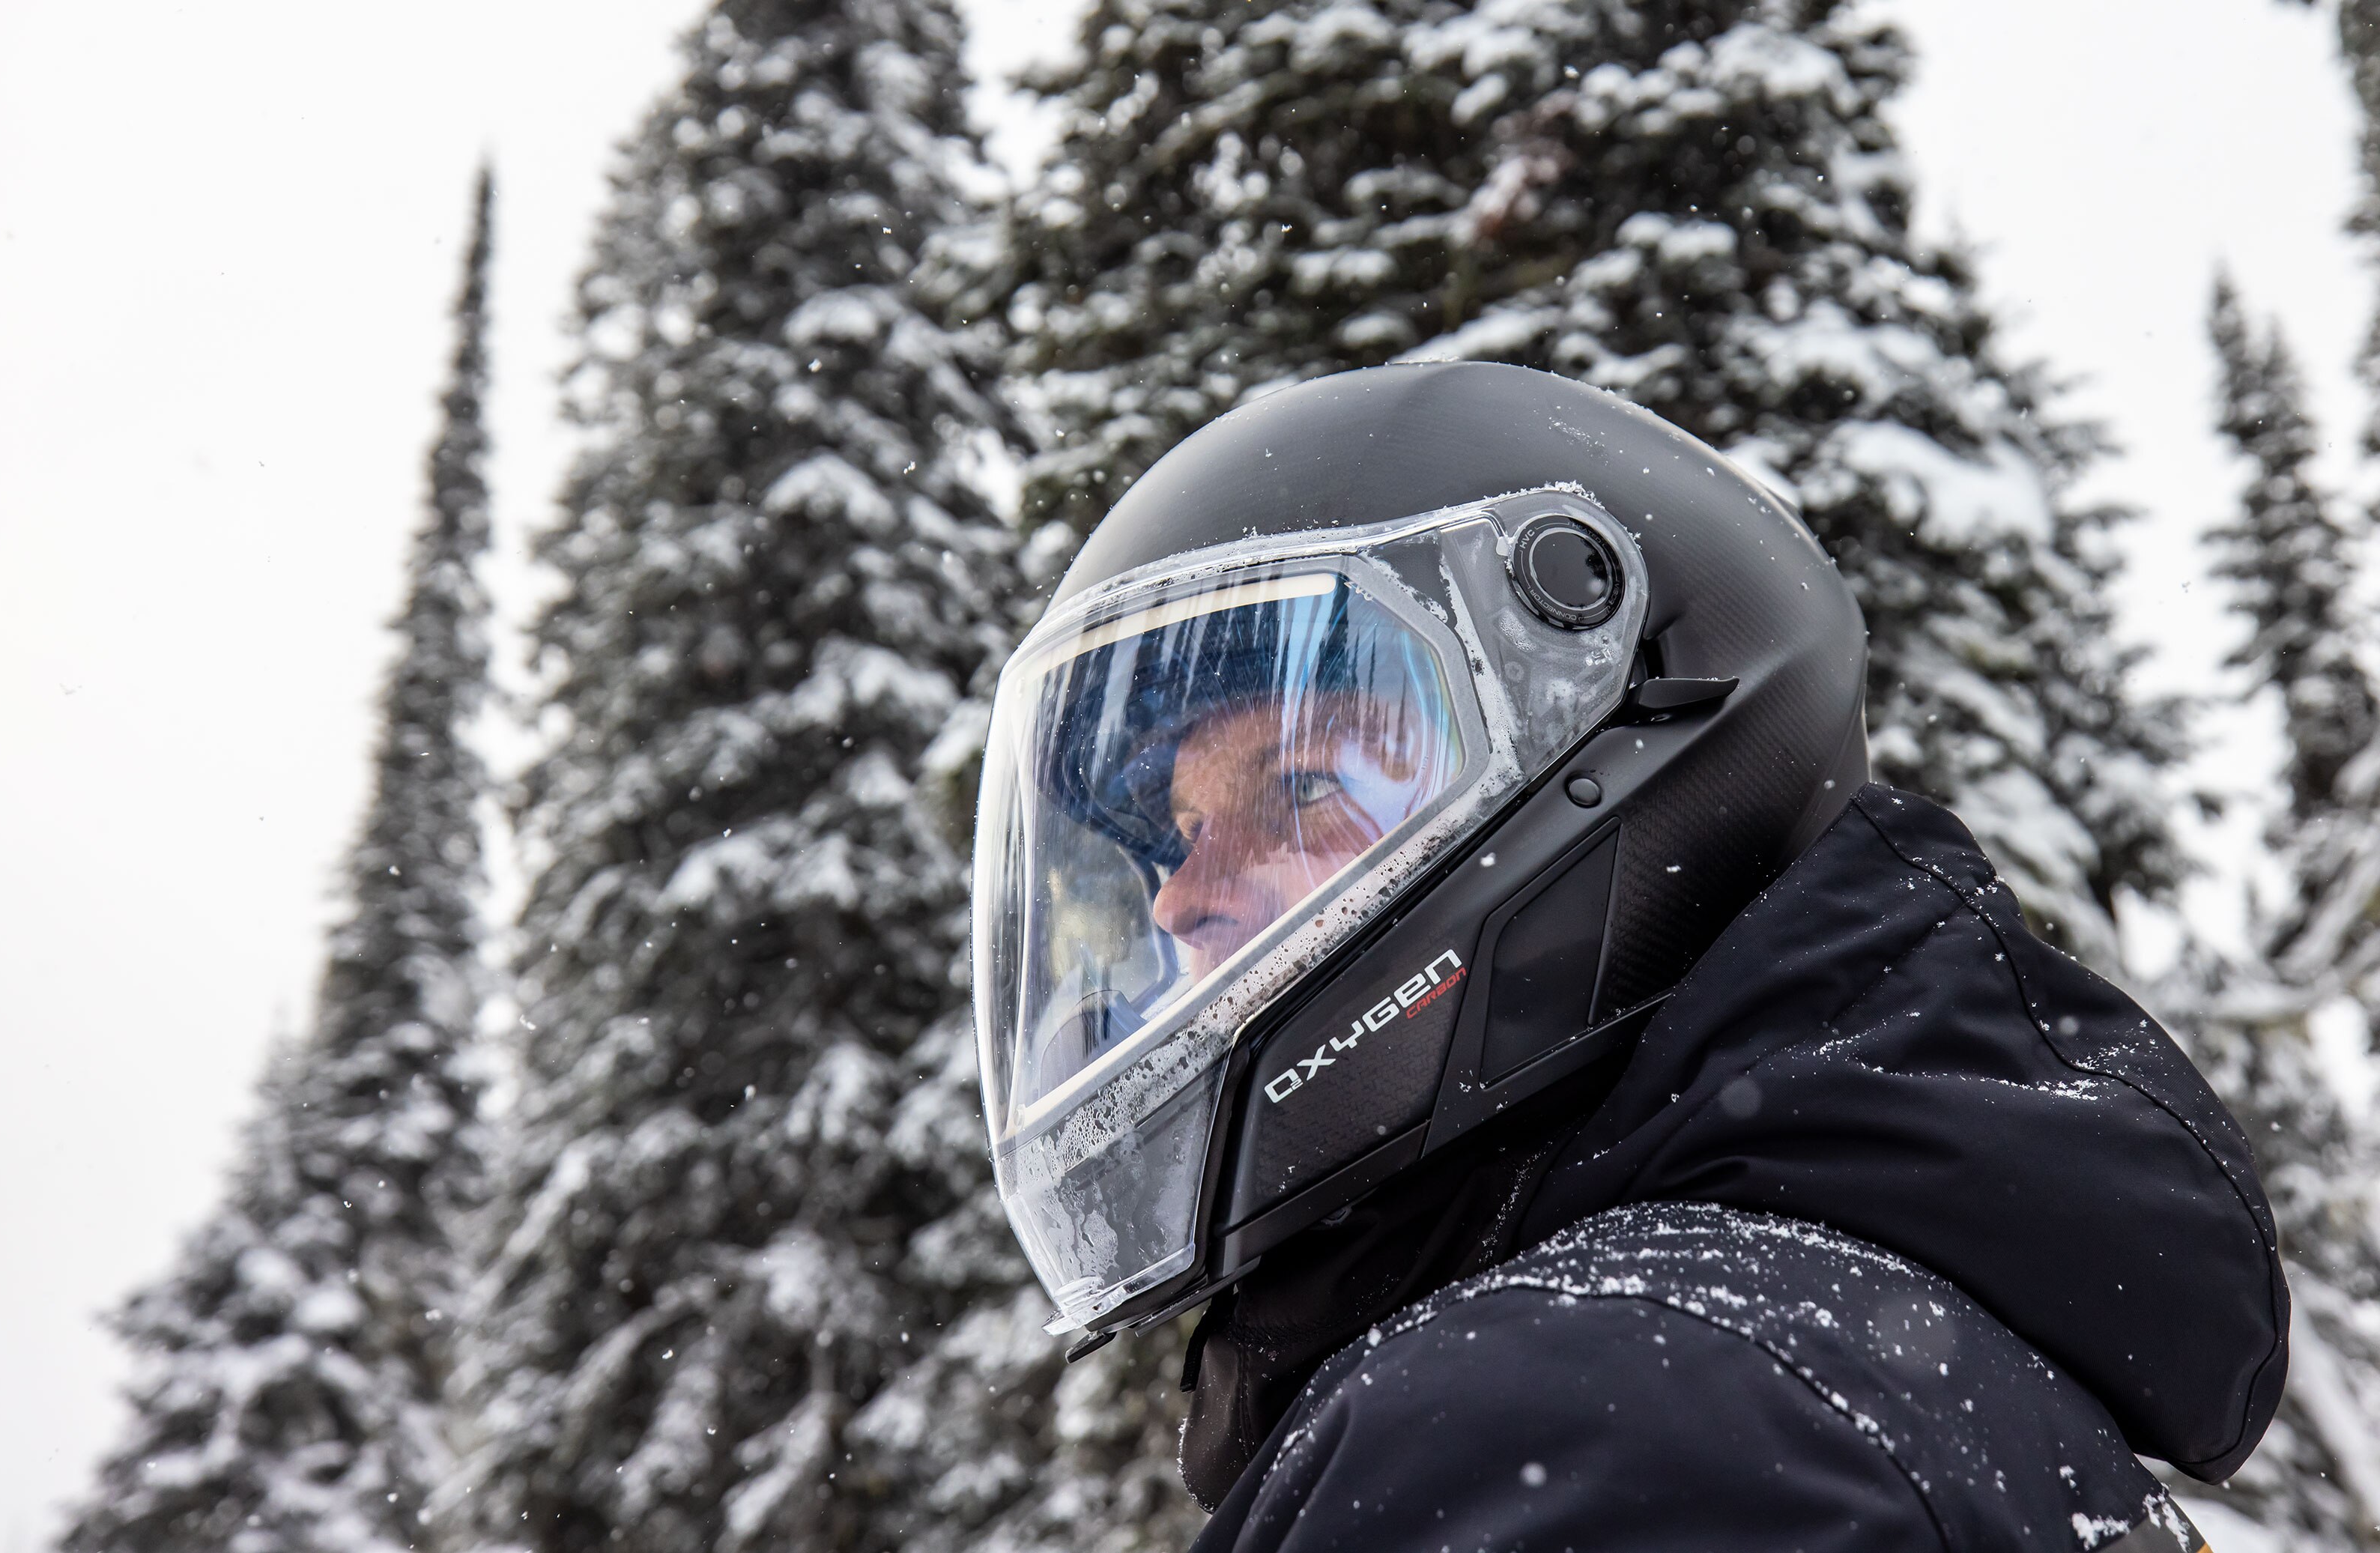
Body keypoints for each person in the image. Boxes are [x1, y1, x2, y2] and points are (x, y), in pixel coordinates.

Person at [970, 363, 2283, 1551]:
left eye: (1305, 784)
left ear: (1603, 753)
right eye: (1185, 832)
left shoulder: (1591, 1416)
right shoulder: (1796, 1366)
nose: (1177, 901)